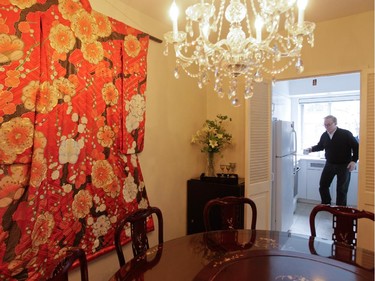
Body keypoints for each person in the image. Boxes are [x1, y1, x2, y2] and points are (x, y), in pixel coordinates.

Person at [305, 115, 359, 206]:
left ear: (335, 123)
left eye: (329, 124)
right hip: (329, 164)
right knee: (323, 186)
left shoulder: (346, 134)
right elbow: (320, 146)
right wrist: (310, 149)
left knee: (342, 189)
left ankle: (340, 209)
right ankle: (326, 204)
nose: (326, 127)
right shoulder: (325, 135)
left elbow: (357, 147)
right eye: (325, 125)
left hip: (344, 165)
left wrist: (354, 161)